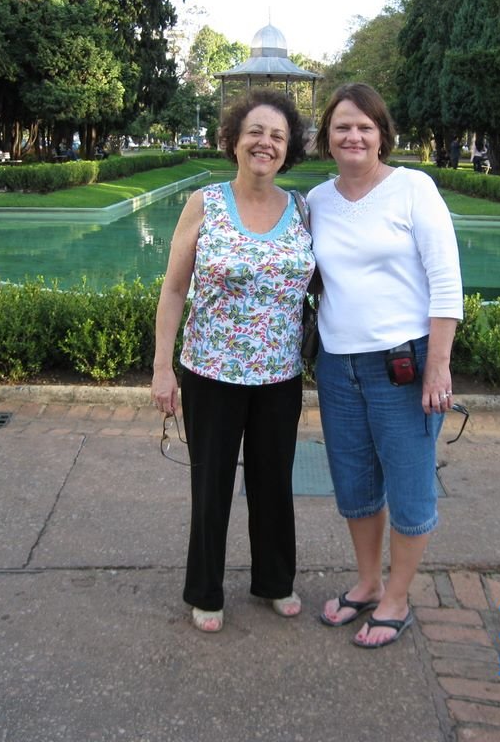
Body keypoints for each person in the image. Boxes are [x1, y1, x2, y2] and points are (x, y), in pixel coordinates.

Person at [151, 88, 314, 634]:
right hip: (210, 373)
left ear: (287, 150)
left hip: (279, 376)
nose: (265, 143)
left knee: (273, 482)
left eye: (277, 136)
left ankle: (275, 581)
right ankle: (205, 589)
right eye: (255, 133)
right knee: (212, 482)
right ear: (233, 140)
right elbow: (174, 290)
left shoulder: (302, 208)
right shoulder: (205, 202)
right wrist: (160, 367)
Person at [308, 83, 463, 649]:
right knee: (354, 483)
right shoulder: (318, 201)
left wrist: (438, 367)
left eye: (364, 127)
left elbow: (446, 281)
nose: (353, 136)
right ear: (327, 135)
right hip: (337, 366)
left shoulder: (413, 189)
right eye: (343, 126)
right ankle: (369, 583)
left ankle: (398, 596)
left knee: (409, 483)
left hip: (404, 365)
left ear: (382, 136)